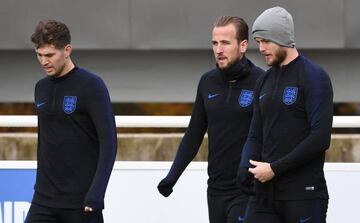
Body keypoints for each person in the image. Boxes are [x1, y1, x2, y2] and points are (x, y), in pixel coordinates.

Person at [157, 16, 264, 223]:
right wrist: (172, 176)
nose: (218, 49)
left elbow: (271, 134)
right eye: (215, 43)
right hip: (215, 189)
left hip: (248, 189)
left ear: (243, 46)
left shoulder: (261, 81)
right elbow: (194, 134)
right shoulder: (207, 82)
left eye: (225, 43)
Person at [238, 6, 333, 223]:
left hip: (304, 195)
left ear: (282, 38)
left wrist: (274, 169)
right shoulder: (264, 80)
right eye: (258, 41)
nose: (260, 48)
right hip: (264, 195)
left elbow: (320, 138)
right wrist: (244, 166)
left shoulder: (314, 77)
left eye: (265, 41)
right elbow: (255, 133)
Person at [26, 20, 117, 223]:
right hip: (43, 200)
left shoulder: (92, 85)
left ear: (67, 50)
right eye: (39, 55)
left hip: (81, 202)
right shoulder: (40, 88)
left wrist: (97, 193)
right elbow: (45, 142)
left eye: (50, 55)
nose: (43, 61)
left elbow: (109, 143)